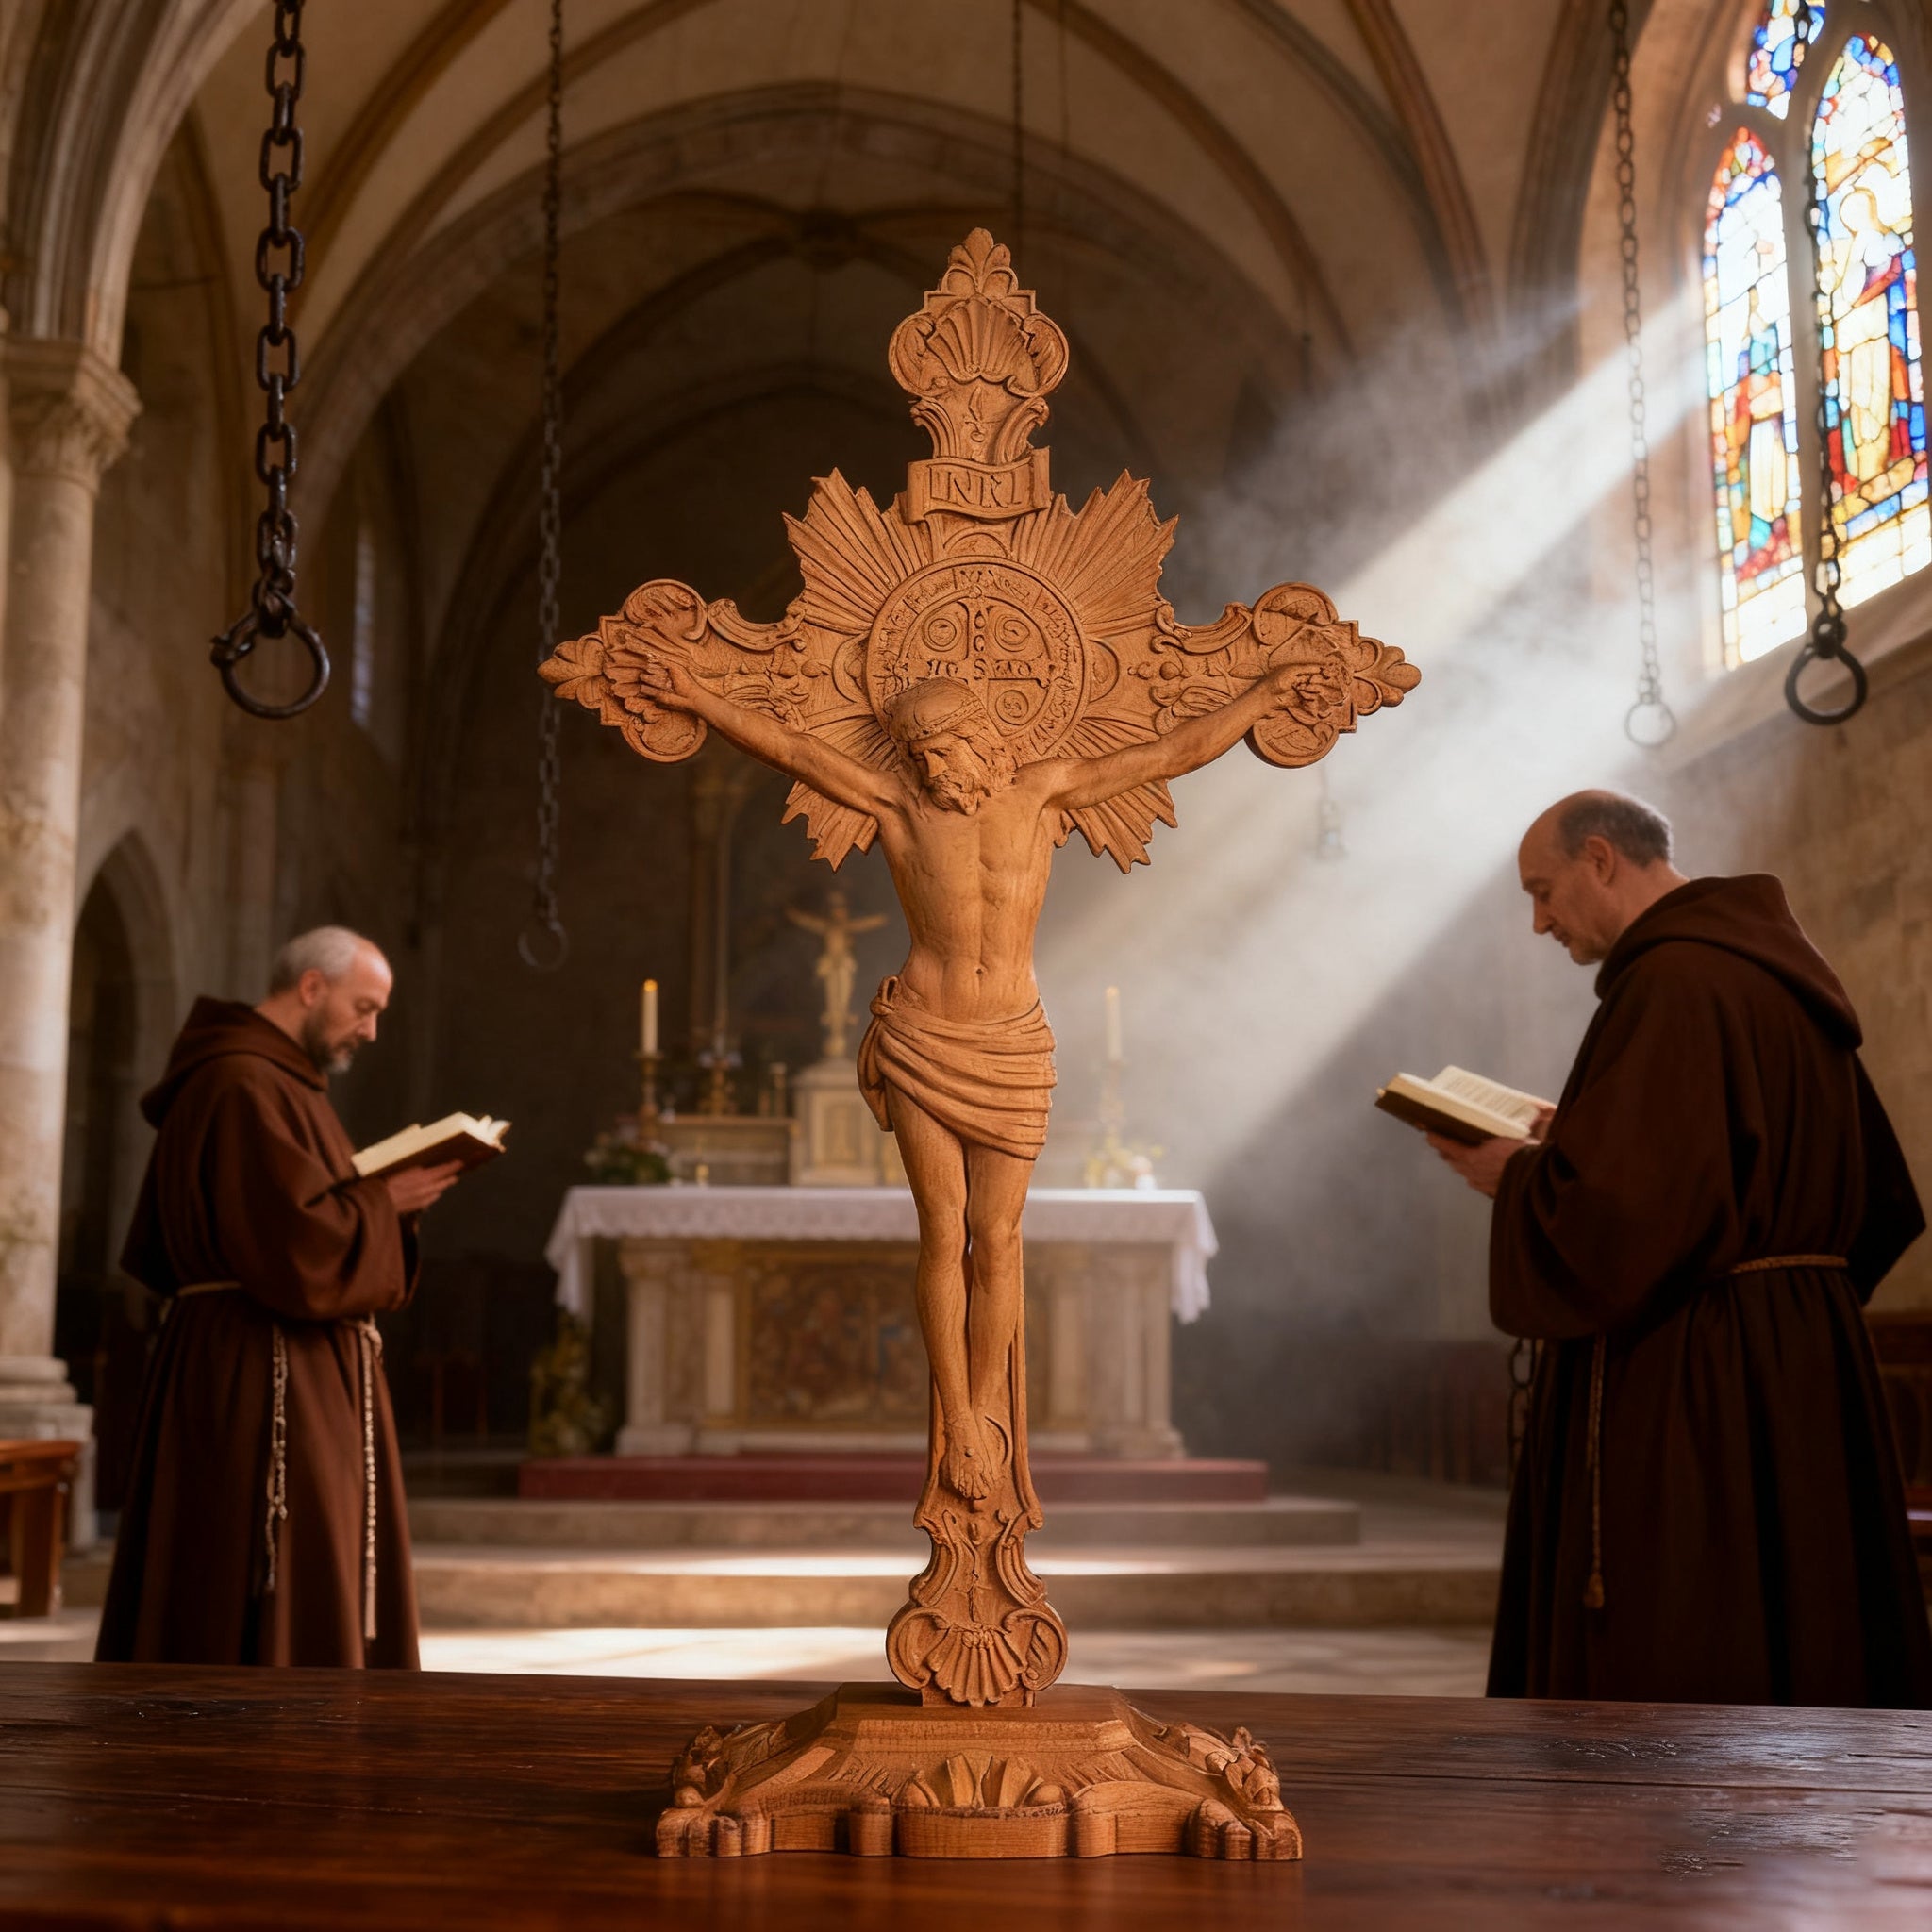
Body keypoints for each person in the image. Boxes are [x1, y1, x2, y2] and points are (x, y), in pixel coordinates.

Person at [1430, 791, 1932, 1707]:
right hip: (1805, 1355)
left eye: (1542, 891)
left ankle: (1665, 1794)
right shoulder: (1772, 972)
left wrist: (1517, 1175)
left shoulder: (1670, 980)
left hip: (1696, 1364)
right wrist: (1580, 1136)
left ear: (1599, 858)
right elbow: (1855, 1192)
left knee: (1691, 1623)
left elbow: (1629, 1214)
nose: (1538, 921)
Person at [95, 928, 460, 1668]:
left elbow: (296, 1214)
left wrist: (380, 1204)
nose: (371, 1030)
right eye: (364, 1007)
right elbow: (287, 1245)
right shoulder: (241, 1082)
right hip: (258, 1365)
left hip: (275, 1358)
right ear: (312, 987)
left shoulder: (277, 1080)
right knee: (258, 1569)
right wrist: (384, 1202)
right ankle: (271, 1715)